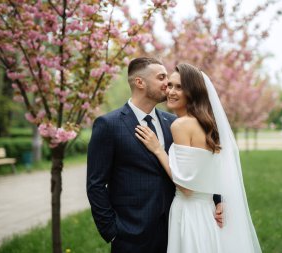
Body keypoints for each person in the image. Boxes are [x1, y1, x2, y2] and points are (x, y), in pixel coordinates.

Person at [87, 57, 222, 253]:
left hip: (175, 228)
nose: (167, 83)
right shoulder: (109, 125)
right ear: (140, 82)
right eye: (161, 77)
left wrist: (218, 200)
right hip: (131, 235)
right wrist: (112, 230)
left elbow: (196, 165)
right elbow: (96, 184)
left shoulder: (173, 122)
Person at [135, 63, 262, 252]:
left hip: (189, 212)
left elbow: (186, 187)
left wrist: (158, 149)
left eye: (179, 87)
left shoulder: (181, 126)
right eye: (170, 85)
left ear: (192, 92)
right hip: (207, 210)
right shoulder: (208, 126)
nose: (171, 91)